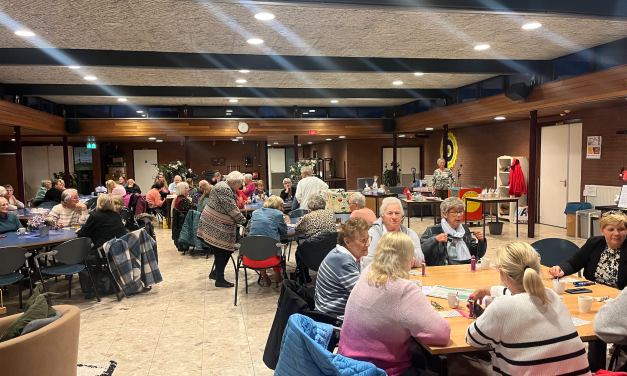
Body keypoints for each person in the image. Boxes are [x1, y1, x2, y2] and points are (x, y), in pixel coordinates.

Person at [466, 242, 591, 376]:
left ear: (503, 275)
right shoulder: (551, 295)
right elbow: (523, 296)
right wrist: (487, 290)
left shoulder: (500, 307)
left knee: (462, 363)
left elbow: (473, 339)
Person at [338, 232, 451, 376]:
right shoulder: (403, 289)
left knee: (419, 358)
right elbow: (441, 334)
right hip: (378, 369)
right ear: (407, 258)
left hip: (348, 361)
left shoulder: (369, 271)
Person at [548, 211, 627, 289]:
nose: (616, 233)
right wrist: (561, 269)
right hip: (592, 292)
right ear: (602, 231)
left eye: (621, 229)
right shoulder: (594, 243)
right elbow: (574, 263)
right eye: (611, 229)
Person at [198, 171, 247, 288]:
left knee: (226, 249)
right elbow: (232, 209)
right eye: (240, 183)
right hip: (215, 224)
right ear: (235, 182)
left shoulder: (224, 186)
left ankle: (215, 273)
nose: (241, 186)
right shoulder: (223, 188)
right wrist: (246, 222)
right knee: (222, 250)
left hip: (216, 222)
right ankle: (219, 279)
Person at [315, 217, 370, 316]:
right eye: (363, 240)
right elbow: (364, 295)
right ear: (347, 242)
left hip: (328, 309)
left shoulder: (339, 253)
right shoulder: (344, 262)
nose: (368, 244)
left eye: (368, 239)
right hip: (333, 317)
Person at [420, 197, 486, 266]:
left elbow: (477, 254)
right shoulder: (433, 230)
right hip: (443, 269)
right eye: (453, 212)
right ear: (445, 214)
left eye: (460, 211)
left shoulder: (464, 229)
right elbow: (421, 252)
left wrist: (481, 241)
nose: (459, 215)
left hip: (466, 267)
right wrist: (435, 239)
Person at [362, 197, 423, 269]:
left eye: (397, 213)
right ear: (382, 217)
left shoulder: (410, 234)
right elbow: (368, 263)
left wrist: (409, 246)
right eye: (390, 213)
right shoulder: (373, 233)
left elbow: (421, 262)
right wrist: (403, 261)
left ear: (402, 216)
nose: (394, 217)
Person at [246, 196, 289, 287]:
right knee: (274, 246)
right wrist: (284, 222)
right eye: (281, 206)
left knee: (259, 245)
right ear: (278, 206)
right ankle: (278, 278)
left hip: (250, 255)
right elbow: (284, 231)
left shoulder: (255, 212)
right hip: (270, 258)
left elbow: (250, 227)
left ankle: (265, 278)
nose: (282, 209)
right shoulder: (278, 214)